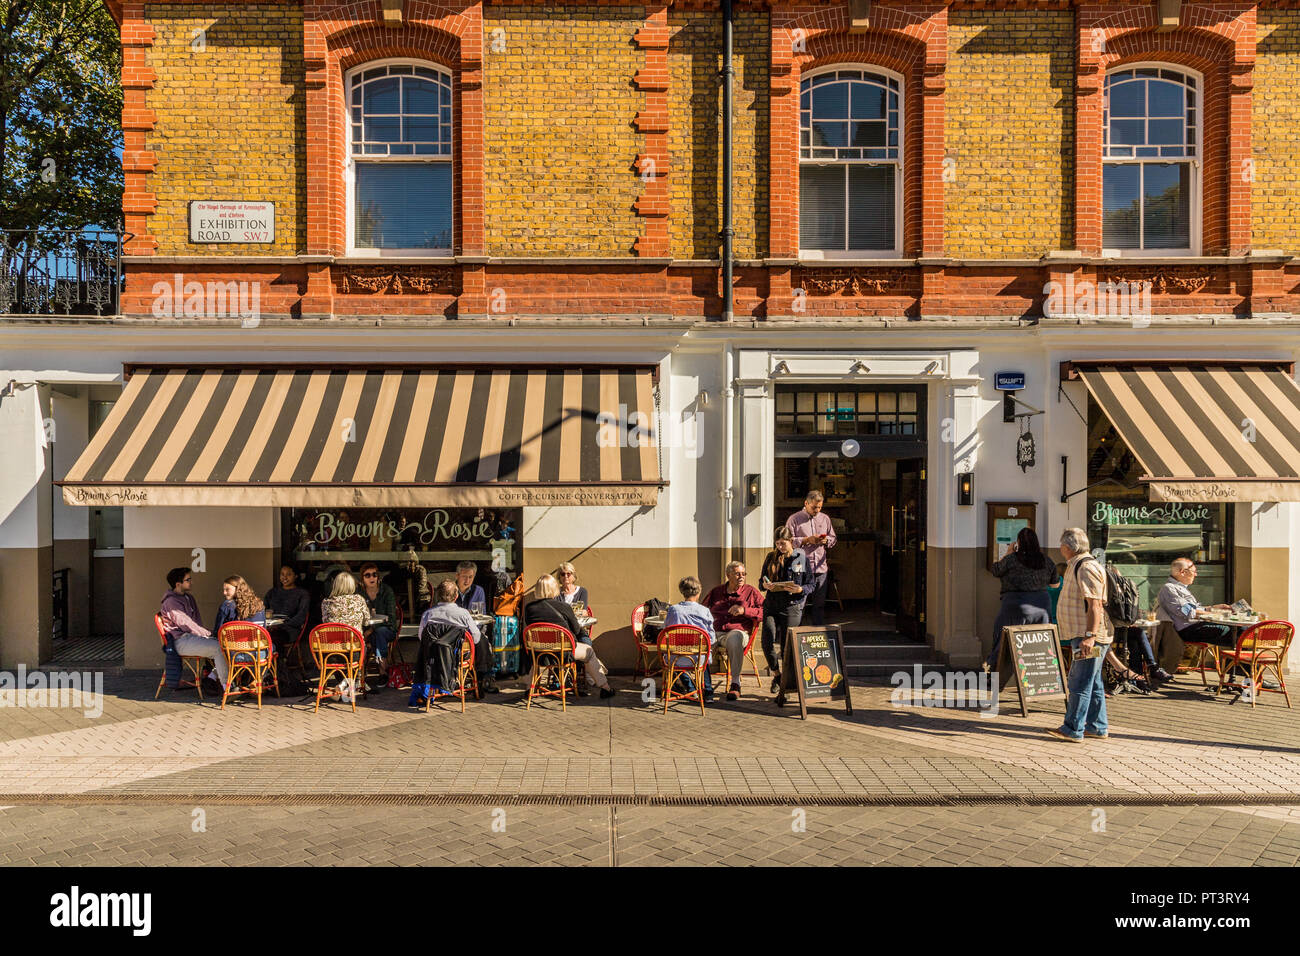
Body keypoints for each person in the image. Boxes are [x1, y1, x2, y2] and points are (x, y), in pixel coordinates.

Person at [1048, 528, 1112, 743]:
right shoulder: (1077, 564)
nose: (1059, 548)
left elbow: (1095, 605)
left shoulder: (1086, 567)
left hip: (1088, 636)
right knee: (1093, 682)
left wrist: (1089, 636)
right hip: (1083, 634)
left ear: (1067, 547)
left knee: (1079, 682)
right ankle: (1097, 726)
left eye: (1061, 544)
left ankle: (1073, 728)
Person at [521, 574, 615, 698]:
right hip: (563, 652)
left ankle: (529, 688)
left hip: (539, 653)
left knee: (531, 653)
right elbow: (576, 629)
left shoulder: (529, 608)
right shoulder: (564, 607)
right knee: (589, 651)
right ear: (554, 589)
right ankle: (605, 688)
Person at [984, 528, 1059, 673]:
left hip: (1015, 605)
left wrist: (1008, 552)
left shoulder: (1011, 559)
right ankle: (1041, 675)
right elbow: (1054, 584)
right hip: (1041, 607)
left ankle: (996, 671)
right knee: (1041, 643)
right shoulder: (1046, 560)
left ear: (1019, 543)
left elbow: (995, 570)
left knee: (1002, 640)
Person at [759, 527, 814, 694]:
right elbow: (761, 581)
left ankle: (786, 684)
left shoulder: (800, 558)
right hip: (771, 604)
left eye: (783, 543)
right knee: (767, 641)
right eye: (777, 544)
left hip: (791, 606)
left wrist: (800, 590)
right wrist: (766, 584)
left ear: (791, 541)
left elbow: (811, 584)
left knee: (786, 648)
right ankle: (776, 674)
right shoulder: (771, 557)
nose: (780, 547)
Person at [702, 561, 764, 700]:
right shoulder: (716, 592)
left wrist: (744, 610)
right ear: (728, 575)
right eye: (737, 574)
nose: (741, 577)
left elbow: (764, 611)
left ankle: (735, 683)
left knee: (735, 638)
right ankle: (705, 685)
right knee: (703, 643)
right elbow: (703, 609)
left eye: (743, 574)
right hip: (715, 631)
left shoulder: (751, 592)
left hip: (738, 631)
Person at [159, 567, 226, 695]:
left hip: (192, 637)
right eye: (188, 580)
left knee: (224, 645)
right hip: (180, 640)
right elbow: (186, 624)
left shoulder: (189, 597)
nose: (191, 582)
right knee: (218, 648)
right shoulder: (171, 602)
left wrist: (207, 635)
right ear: (178, 584)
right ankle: (226, 686)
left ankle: (212, 677)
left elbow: (195, 623)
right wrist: (207, 634)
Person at [1157, 558, 1235, 648]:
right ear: (1183, 572)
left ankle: (1241, 658)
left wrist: (1213, 608)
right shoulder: (1169, 588)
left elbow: (1194, 609)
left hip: (1195, 626)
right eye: (1194, 571)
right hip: (1188, 630)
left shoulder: (1180, 588)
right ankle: (1241, 659)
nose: (1196, 574)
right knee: (1231, 631)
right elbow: (1188, 611)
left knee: (1240, 630)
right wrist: (1215, 613)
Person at [785, 491, 836, 625]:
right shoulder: (794, 519)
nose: (817, 510)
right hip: (801, 566)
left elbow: (833, 537)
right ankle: (795, 636)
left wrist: (827, 541)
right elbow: (786, 541)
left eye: (820, 507)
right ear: (806, 503)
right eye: (814, 507)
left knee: (819, 604)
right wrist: (806, 540)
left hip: (820, 567)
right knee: (799, 604)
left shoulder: (825, 518)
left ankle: (817, 634)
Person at [662, 576, 717, 700]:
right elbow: (711, 639)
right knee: (704, 653)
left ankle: (691, 689)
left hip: (676, 658)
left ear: (682, 591)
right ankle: (708, 692)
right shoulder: (705, 611)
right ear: (698, 592)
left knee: (674, 658)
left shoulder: (673, 610)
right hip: (699, 659)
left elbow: (666, 631)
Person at [358, 562, 397, 681]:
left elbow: (390, 617)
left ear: (378, 577)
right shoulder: (359, 593)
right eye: (367, 575)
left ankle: (381, 666)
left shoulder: (386, 591)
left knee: (379, 632)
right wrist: (368, 631)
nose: (371, 578)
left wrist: (370, 630)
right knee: (375, 636)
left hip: (387, 629)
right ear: (362, 578)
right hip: (366, 630)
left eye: (374, 575)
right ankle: (382, 670)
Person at [264, 564, 310, 654]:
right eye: (282, 574)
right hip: (270, 628)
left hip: (290, 629)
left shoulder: (302, 594)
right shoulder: (272, 592)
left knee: (274, 638)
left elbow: (301, 616)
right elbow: (263, 610)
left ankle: (278, 664)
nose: (284, 577)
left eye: (288, 574)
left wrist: (282, 625)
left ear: (296, 576)